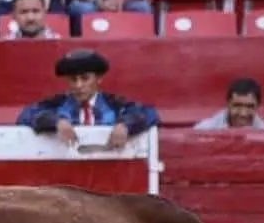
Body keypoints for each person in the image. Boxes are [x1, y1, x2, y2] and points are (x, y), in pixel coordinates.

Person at [16, 49, 160, 149]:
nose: (79, 85)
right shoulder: (56, 104)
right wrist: (56, 121)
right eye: (73, 79)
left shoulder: (114, 104)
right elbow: (25, 116)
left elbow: (150, 114)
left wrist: (125, 125)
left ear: (99, 79)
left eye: (85, 78)